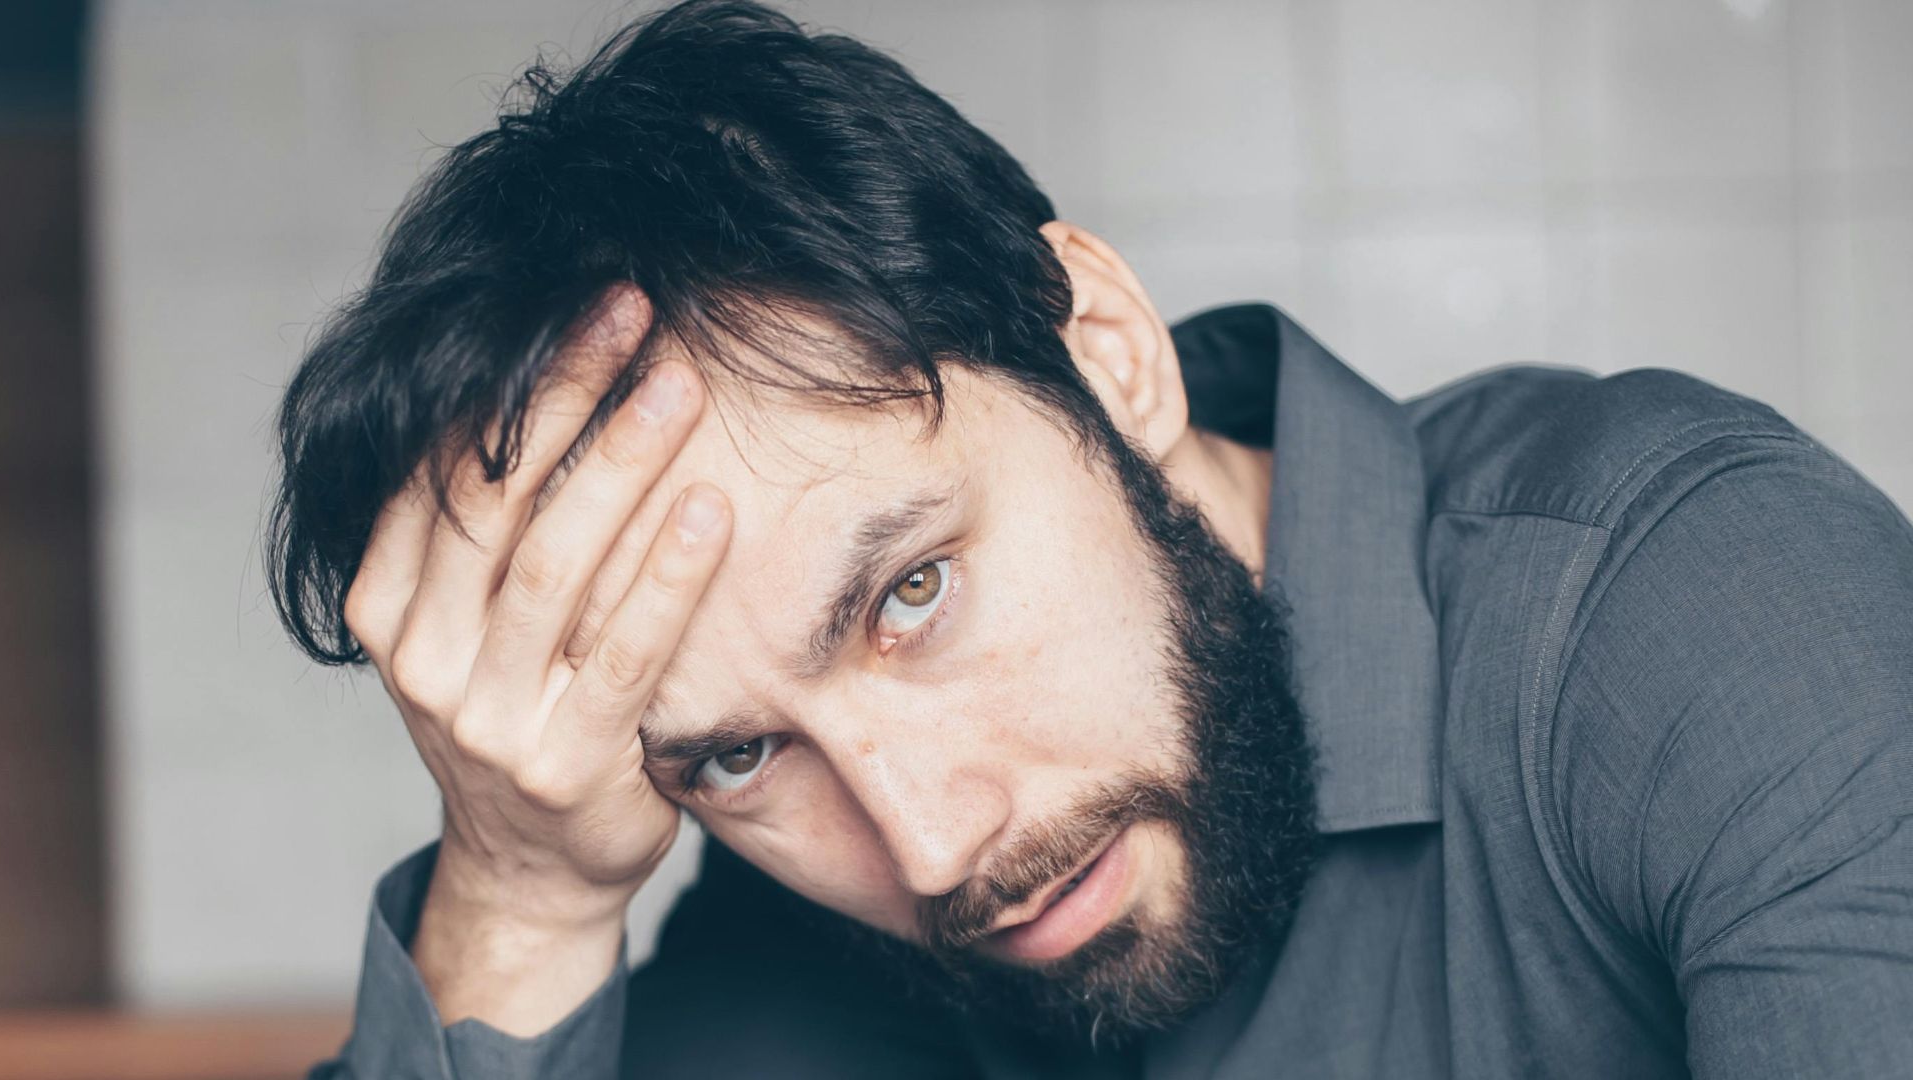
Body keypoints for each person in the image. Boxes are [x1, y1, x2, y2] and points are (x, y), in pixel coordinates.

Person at [269, 2, 1913, 1077]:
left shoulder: (1698, 612)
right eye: (742, 754)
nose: (929, 845)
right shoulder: (798, 947)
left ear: (1107, 349)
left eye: (911, 592)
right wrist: (521, 897)